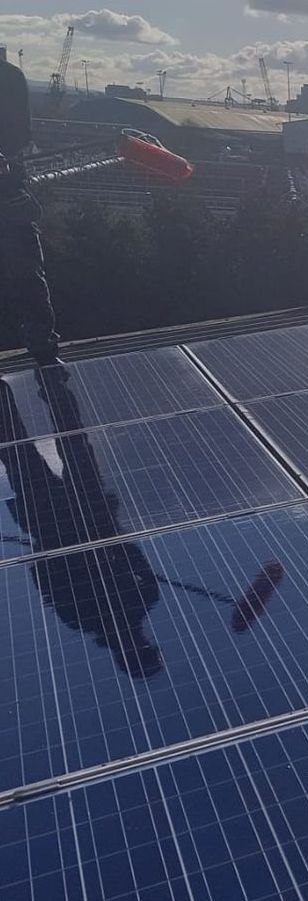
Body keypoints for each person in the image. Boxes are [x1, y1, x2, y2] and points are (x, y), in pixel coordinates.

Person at [0, 376, 163, 678]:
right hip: (78, 515)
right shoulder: (136, 600)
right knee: (65, 442)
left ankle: (43, 374)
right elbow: (43, 573)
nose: (141, 642)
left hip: (62, 519)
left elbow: (43, 574)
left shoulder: (136, 600)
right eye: (145, 647)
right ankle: (49, 374)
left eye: (141, 649)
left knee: (29, 449)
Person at [0, 46, 61, 366]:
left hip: (8, 196)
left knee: (25, 272)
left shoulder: (9, 77)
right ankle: (42, 345)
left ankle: (41, 343)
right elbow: (20, 137)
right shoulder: (10, 77)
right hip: (10, 195)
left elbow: (17, 138)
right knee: (26, 274)